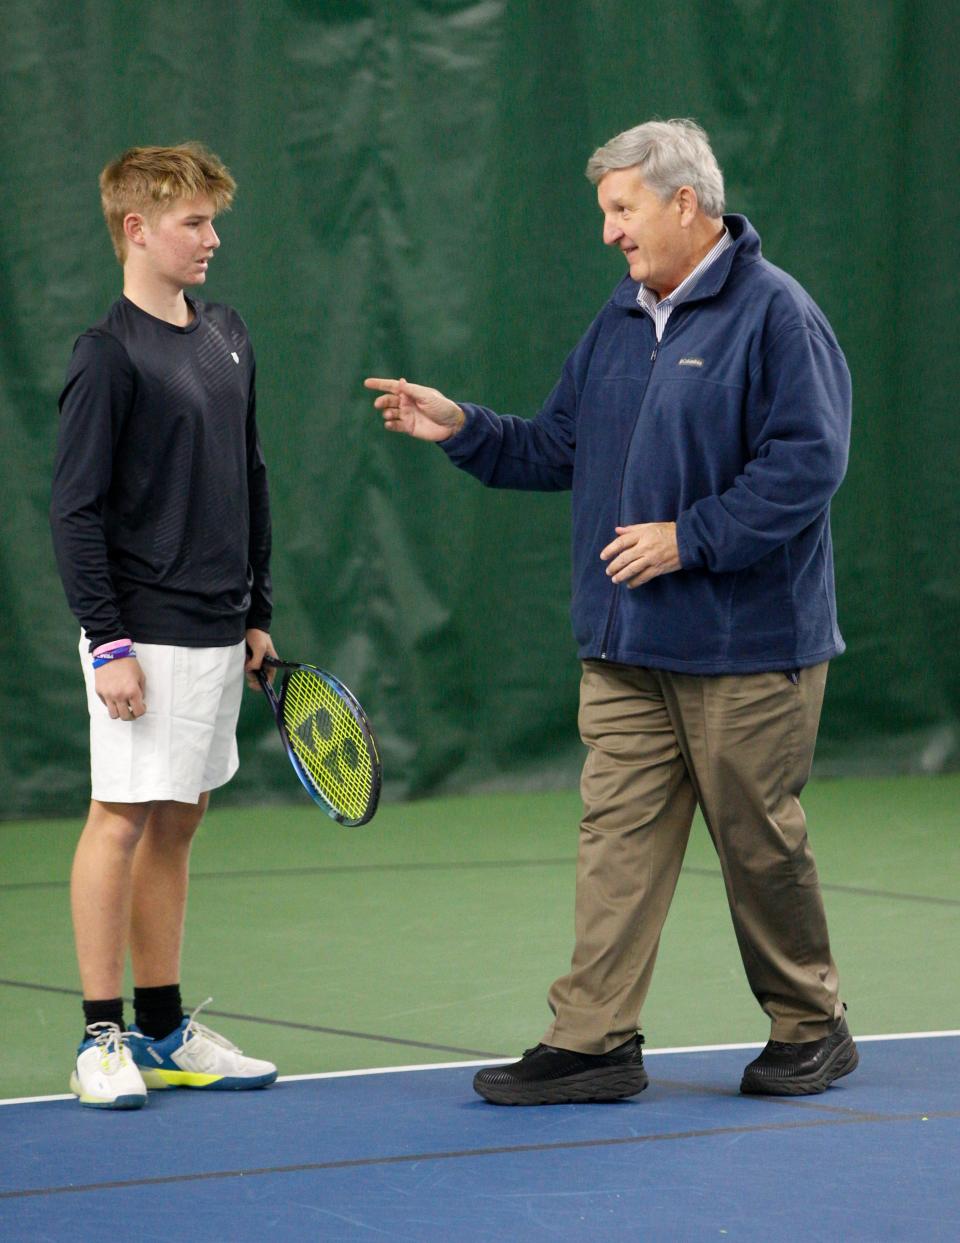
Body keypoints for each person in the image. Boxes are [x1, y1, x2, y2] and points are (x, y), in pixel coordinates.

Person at [365, 118, 857, 1104]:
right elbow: (556, 446)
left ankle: (812, 1023)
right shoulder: (620, 323)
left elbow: (811, 464)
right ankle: (595, 1041)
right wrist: (460, 427)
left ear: (685, 204)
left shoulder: (777, 315)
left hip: (748, 649)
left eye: (621, 209)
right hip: (626, 649)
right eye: (605, 212)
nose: (609, 232)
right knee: (615, 844)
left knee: (759, 843)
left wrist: (689, 537)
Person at [51, 143, 279, 1109]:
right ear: (137, 229)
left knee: (179, 822)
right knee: (120, 818)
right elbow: (75, 509)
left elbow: (249, 475)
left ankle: (161, 1028)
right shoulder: (108, 356)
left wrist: (257, 612)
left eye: (214, 220)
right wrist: (106, 641)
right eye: (194, 222)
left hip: (219, 628)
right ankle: (99, 1036)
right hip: (138, 634)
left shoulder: (226, 332)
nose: (212, 239)